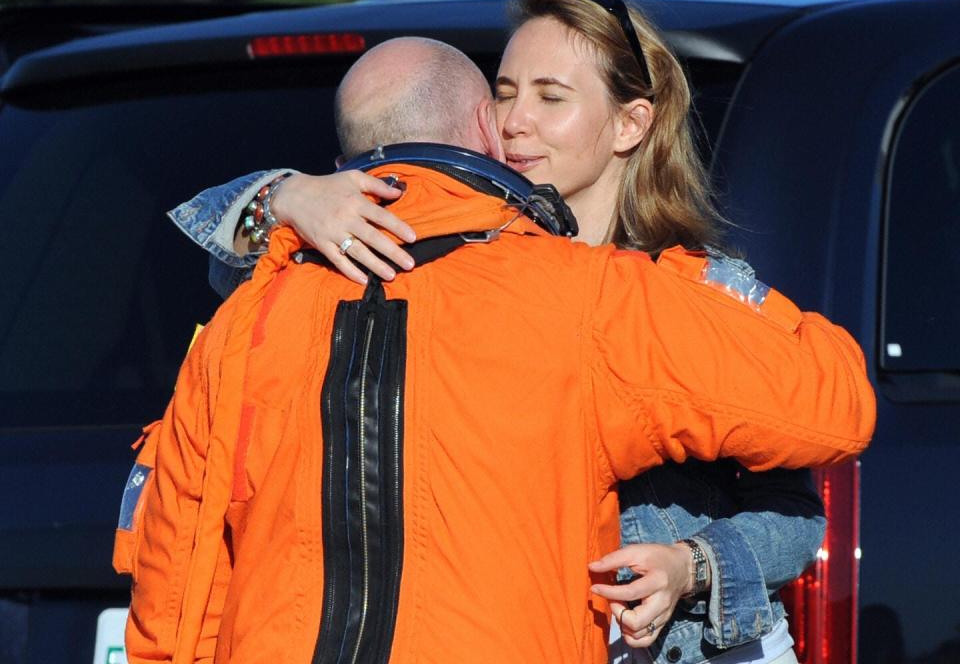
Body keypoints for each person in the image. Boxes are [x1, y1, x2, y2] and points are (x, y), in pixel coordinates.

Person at [118, 34, 875, 664]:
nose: (517, 121)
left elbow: (176, 597)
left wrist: (694, 566)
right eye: (508, 95)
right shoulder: (590, 296)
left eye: (550, 97)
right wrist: (285, 196)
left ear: (630, 124)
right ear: (480, 125)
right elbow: (836, 405)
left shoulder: (242, 325)